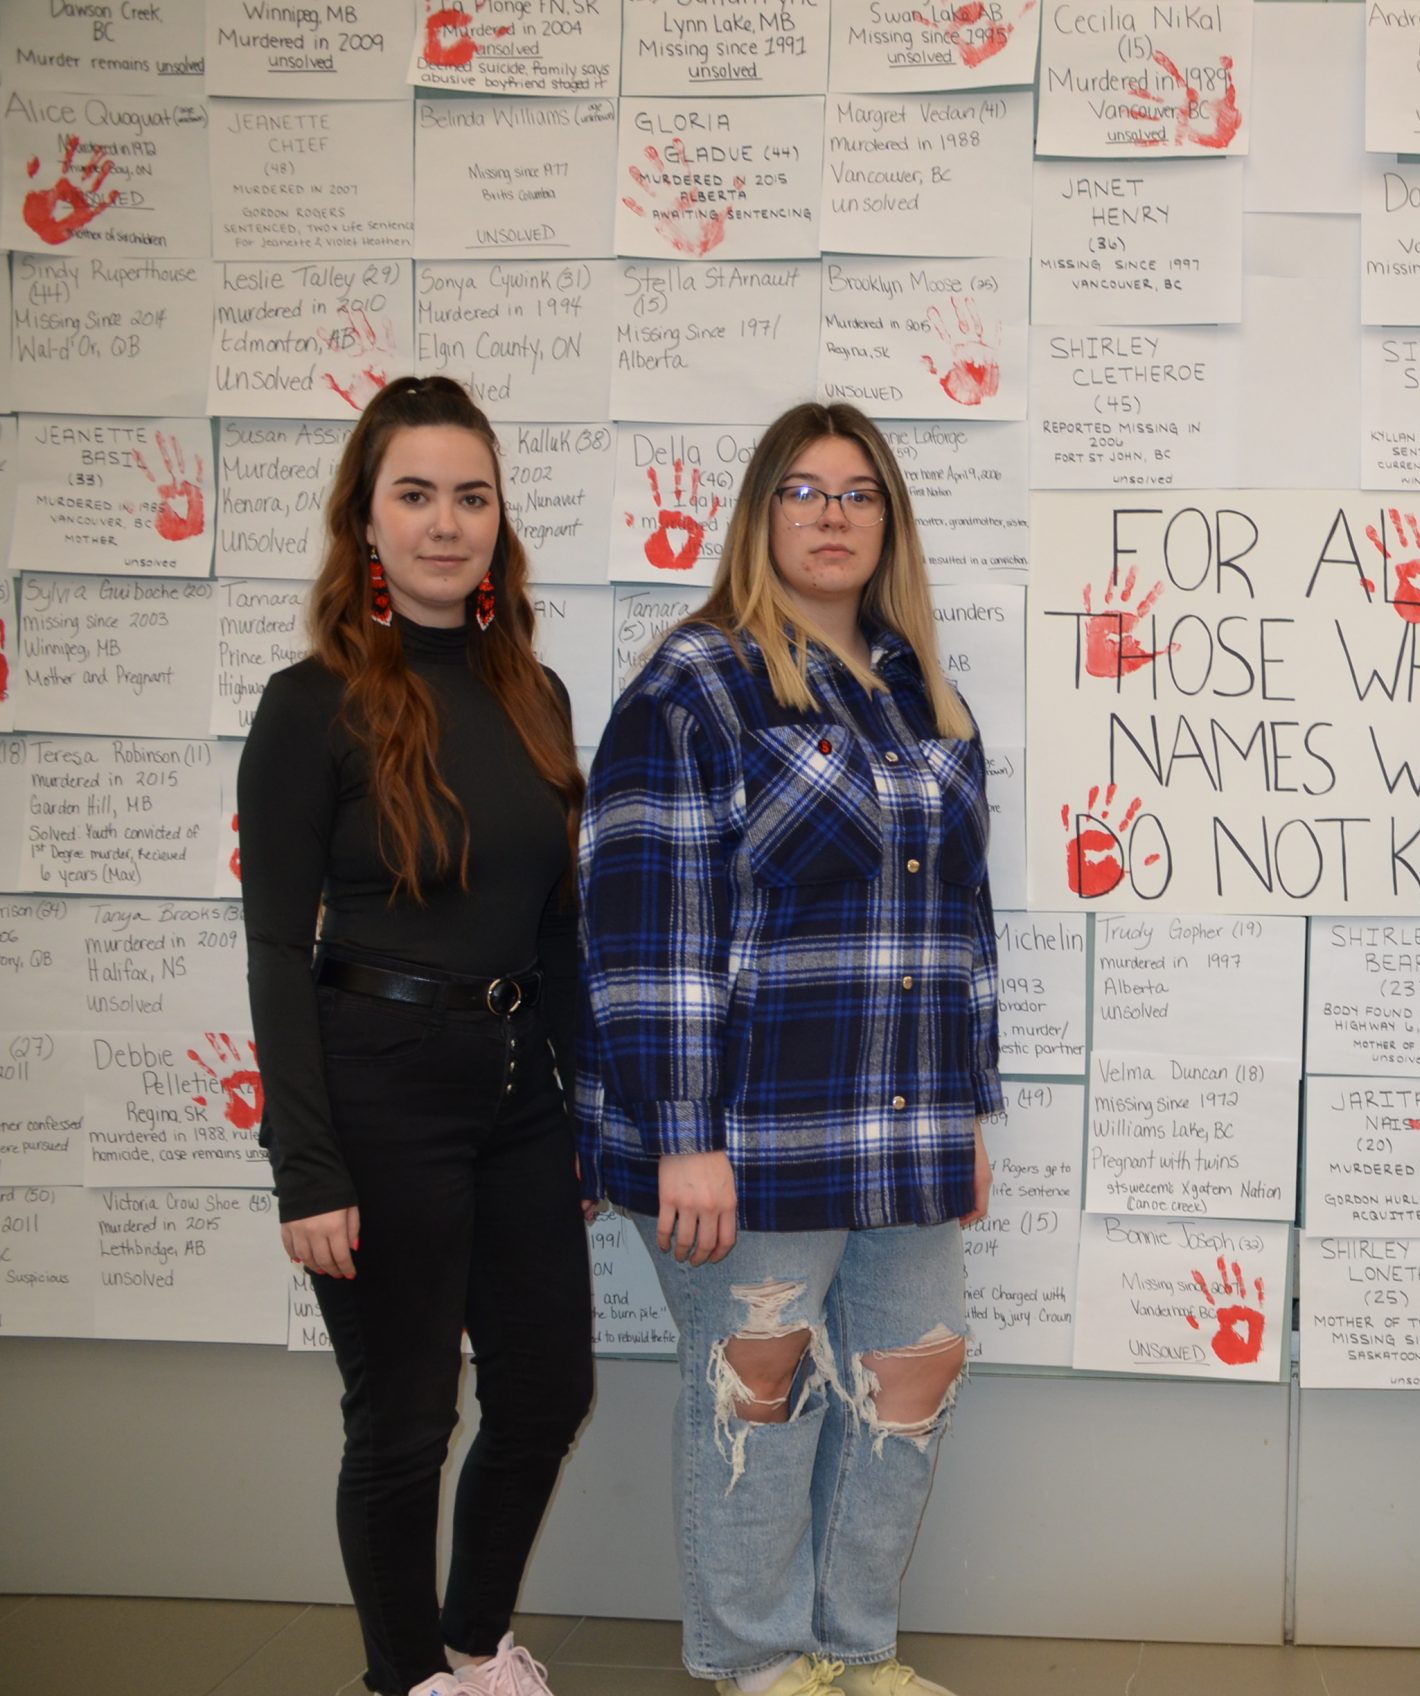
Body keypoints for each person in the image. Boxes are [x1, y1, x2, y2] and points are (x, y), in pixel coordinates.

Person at [578, 402, 1001, 1696]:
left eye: (859, 491)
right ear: (761, 514)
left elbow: (959, 929)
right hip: (749, 1136)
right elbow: (648, 929)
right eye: (803, 490)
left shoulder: (920, 689)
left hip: (907, 1125)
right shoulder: (693, 686)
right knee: (758, 1398)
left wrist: (970, 1114)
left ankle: (858, 1651)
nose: (832, 514)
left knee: (908, 1388)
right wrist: (683, 1136)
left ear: (890, 522)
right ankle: (760, 1664)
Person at [239, 375, 591, 1696]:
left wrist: (587, 1108)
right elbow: (279, 946)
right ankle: (407, 1681)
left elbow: (553, 937)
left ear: (499, 522)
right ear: (366, 523)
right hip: (376, 1089)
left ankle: (466, 1642)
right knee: (403, 1423)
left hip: (516, 1094)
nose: (447, 523)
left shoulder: (536, 696)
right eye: (416, 494)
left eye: (472, 496)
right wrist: (307, 1169)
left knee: (548, 1388)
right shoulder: (310, 704)